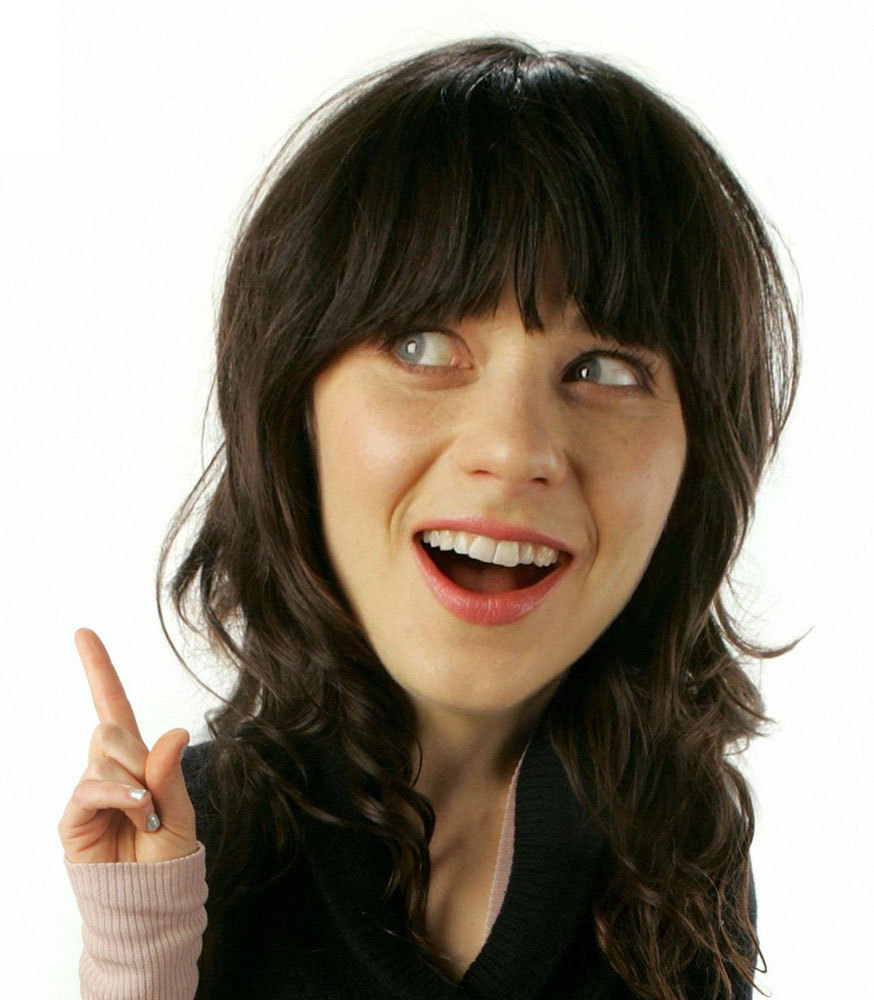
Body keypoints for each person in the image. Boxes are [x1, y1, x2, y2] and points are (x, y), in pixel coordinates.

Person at [59, 36, 800, 1000]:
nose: (517, 449)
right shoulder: (201, 835)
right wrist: (138, 953)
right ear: (293, 413)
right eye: (422, 345)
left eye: (605, 369)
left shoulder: (676, 842)